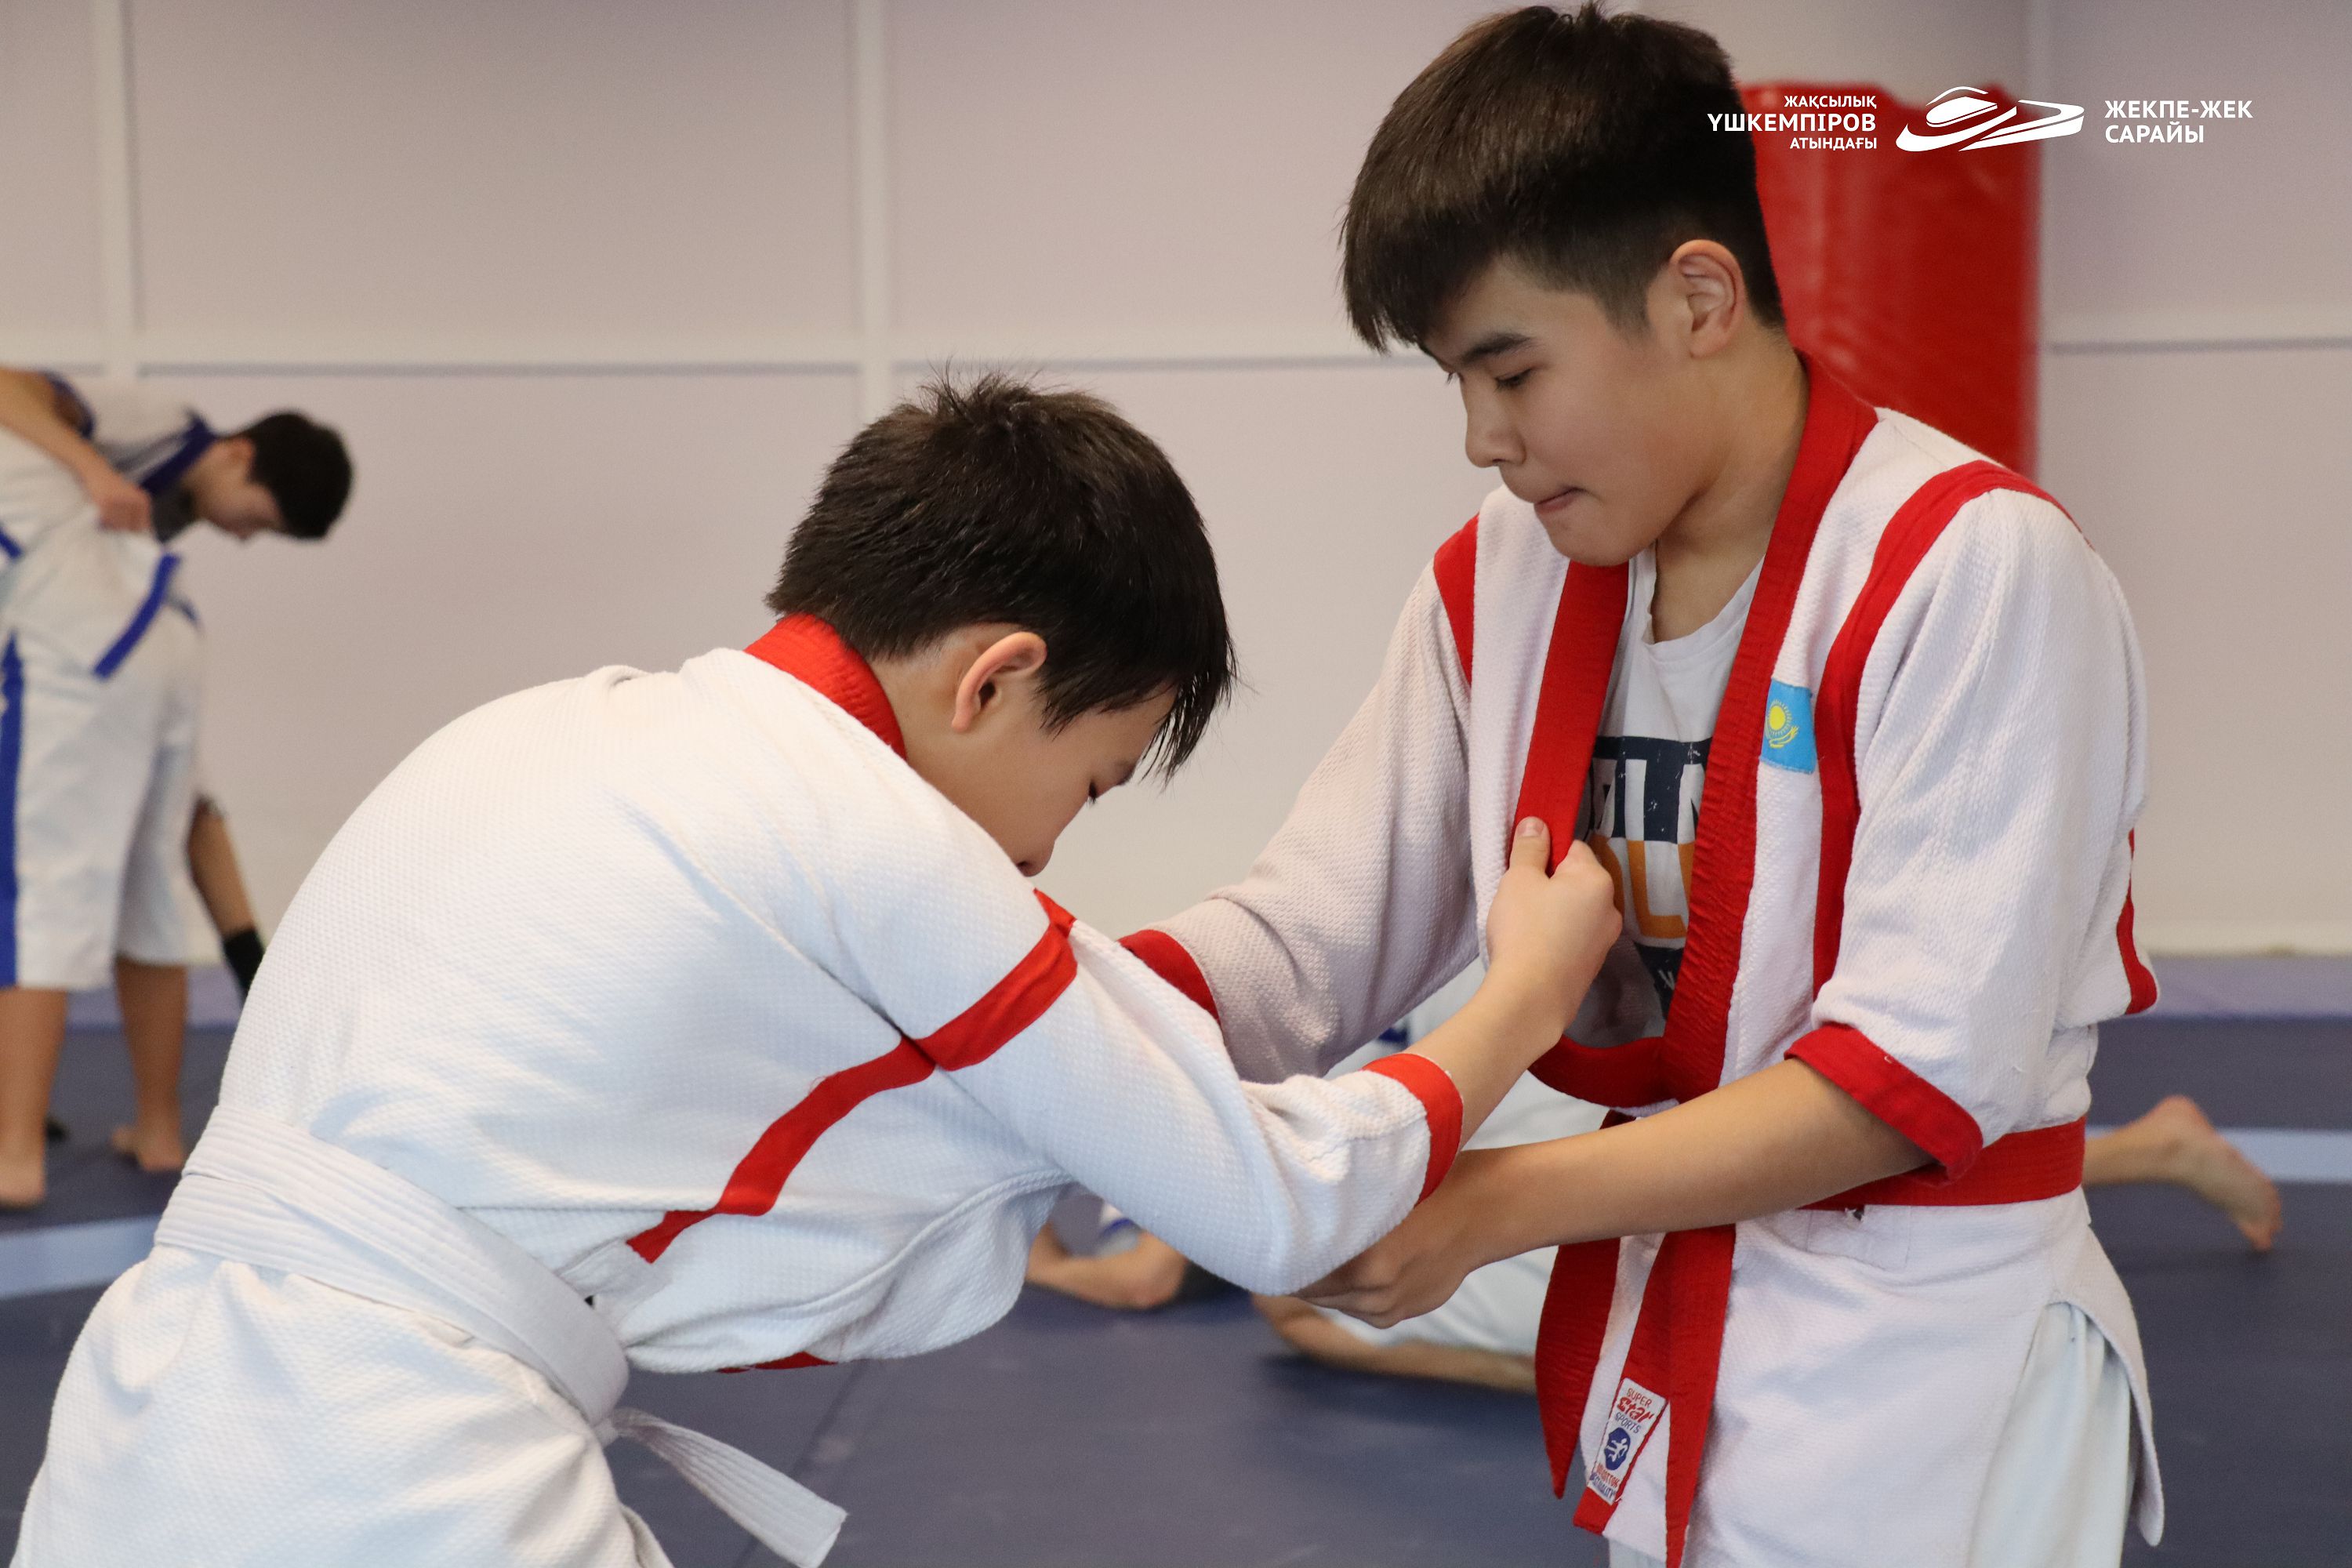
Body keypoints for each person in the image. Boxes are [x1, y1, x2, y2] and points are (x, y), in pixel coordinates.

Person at [14, 374, 1624, 1567]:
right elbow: (1271, 1206)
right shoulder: (879, 838)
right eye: (1086, 784)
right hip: (392, 1475)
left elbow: (1056, 1029)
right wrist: (1521, 1003)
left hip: (139, 1418)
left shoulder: (559, 728)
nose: (1045, 855)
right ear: (996, 680)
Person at [1112, 9, 2169, 1564]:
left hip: (1937, 1364)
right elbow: (1308, 939)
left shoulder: (1972, 570)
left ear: (1697, 299)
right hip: (1676, 1322)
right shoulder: (1504, 579)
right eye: (1456, 383)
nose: (1483, 439)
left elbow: (1909, 1076)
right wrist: (1034, 1018)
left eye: (1511, 370)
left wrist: (1491, 1201)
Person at [0, 370, 349, 1206]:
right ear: (240, 456)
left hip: (85, 631)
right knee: (146, 883)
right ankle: (158, 1130)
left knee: (41, 890)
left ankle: (13, 1156)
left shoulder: (121, 464)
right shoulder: (146, 435)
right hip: (157, 630)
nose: (243, 537)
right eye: (258, 519)